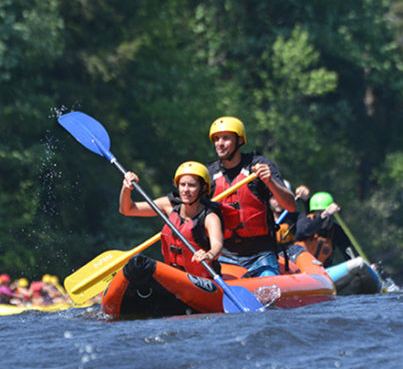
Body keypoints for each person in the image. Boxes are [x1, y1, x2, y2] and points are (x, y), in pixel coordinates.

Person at [206, 116, 296, 276]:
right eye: (217, 139)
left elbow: (290, 206)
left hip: (261, 255)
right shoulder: (210, 173)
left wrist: (270, 182)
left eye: (226, 138)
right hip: (225, 256)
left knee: (268, 293)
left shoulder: (259, 165)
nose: (220, 143)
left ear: (239, 141)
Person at [120, 161, 224, 277]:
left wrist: (208, 255)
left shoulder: (210, 217)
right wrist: (126, 188)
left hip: (202, 280)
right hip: (175, 276)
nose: (186, 190)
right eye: (182, 184)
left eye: (192, 185)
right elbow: (127, 209)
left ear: (203, 188)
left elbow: (217, 245)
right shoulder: (169, 205)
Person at [294, 191, 354, 267]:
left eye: (324, 212)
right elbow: (305, 231)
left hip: (322, 273)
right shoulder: (304, 221)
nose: (321, 215)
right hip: (298, 269)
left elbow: (347, 251)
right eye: (318, 212)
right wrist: (324, 215)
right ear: (313, 212)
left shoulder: (336, 230)